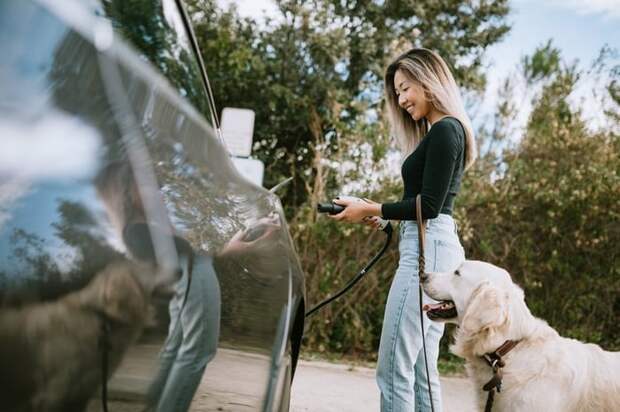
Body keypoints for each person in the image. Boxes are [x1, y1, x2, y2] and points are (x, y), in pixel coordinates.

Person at [329, 48, 476, 412]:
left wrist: (372, 206)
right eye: (397, 92)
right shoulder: (443, 131)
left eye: (406, 87)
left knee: (395, 364)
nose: (402, 99)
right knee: (422, 368)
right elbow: (426, 207)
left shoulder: (446, 129)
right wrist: (379, 216)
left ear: (429, 81)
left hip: (428, 252)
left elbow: (428, 207)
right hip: (437, 245)